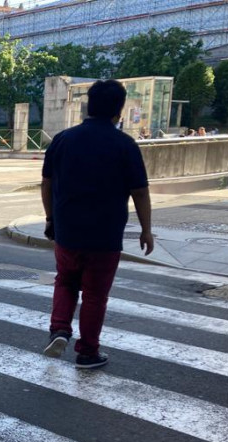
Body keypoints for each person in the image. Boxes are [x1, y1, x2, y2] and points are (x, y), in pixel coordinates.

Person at [41, 79, 154, 369]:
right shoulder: (125, 145)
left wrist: (51, 217)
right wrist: (146, 229)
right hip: (105, 235)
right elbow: (140, 191)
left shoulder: (63, 139)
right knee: (95, 294)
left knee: (65, 280)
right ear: (119, 110)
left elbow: (46, 183)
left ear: (87, 106)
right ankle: (87, 352)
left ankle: (59, 329)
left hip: (67, 230)